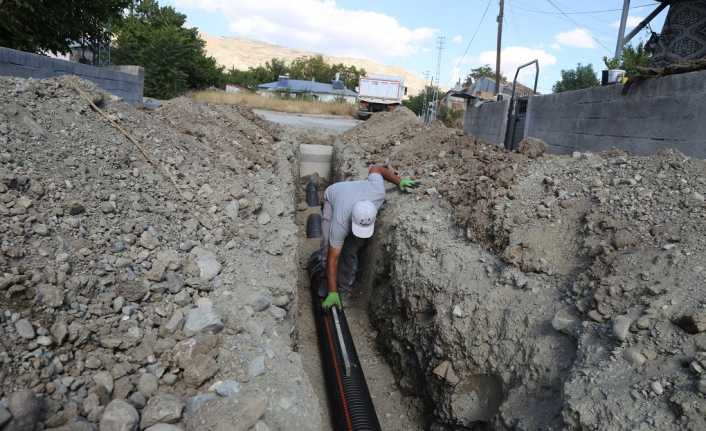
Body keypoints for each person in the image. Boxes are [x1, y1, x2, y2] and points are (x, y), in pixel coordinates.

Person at [320, 165, 418, 310]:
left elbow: (376, 168)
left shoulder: (378, 193)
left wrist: (400, 181)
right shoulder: (340, 220)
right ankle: (327, 286)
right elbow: (332, 258)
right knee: (327, 248)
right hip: (334, 195)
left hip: (354, 195)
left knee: (351, 250)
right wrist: (332, 292)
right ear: (352, 219)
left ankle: (344, 289)